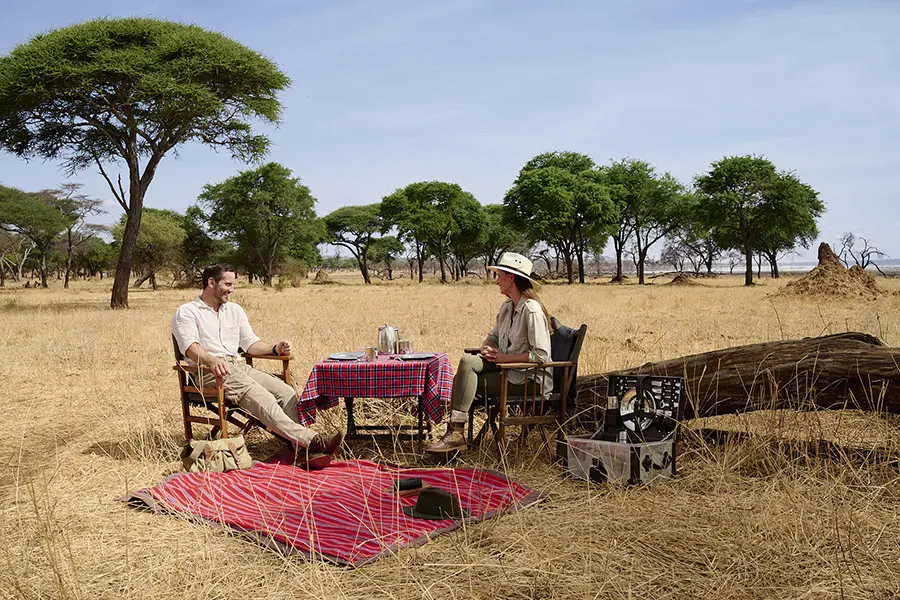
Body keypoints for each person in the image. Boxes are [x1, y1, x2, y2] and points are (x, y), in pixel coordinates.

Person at [171, 264, 342, 467]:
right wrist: (213, 360)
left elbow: (250, 344)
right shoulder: (187, 312)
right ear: (211, 283)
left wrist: (275, 348)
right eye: (228, 284)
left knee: (286, 392)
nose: (232, 289)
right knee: (263, 397)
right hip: (209, 371)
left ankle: (302, 450)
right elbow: (190, 349)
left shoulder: (235, 311)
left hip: (238, 366)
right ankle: (313, 441)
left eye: (233, 284)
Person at [426, 252, 553, 453]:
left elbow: (541, 356)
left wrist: (505, 358)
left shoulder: (532, 310)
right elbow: (493, 336)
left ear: (511, 278)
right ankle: (455, 433)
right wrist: (487, 346)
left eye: (500, 275)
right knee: (467, 362)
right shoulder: (506, 307)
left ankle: (454, 434)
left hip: (527, 379)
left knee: (464, 380)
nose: (497, 282)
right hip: (507, 370)